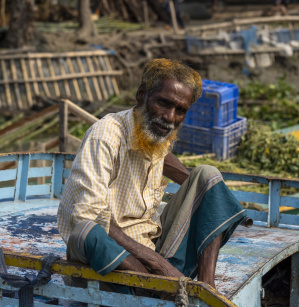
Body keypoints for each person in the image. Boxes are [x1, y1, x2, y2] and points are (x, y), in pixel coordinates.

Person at [57, 59, 247, 292]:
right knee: (88, 230)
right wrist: (159, 265)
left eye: (180, 110)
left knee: (208, 174)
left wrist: (201, 193)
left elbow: (163, 156)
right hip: (105, 252)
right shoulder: (106, 134)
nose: (170, 117)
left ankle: (207, 289)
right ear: (142, 95)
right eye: (164, 103)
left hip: (148, 245)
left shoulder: (154, 131)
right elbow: (90, 215)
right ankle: (160, 288)